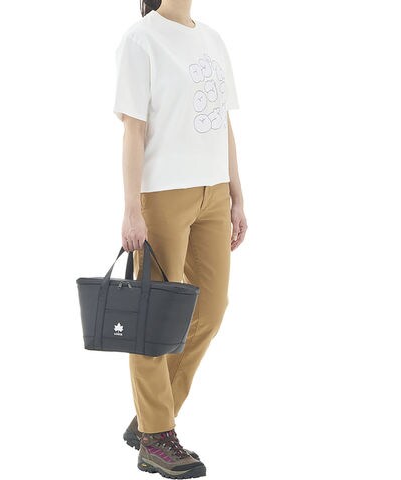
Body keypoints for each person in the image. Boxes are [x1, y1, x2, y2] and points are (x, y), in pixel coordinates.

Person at [113, 1, 247, 477]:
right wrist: (132, 207)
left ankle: (155, 414)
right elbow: (134, 130)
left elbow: (222, 122)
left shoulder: (212, 38)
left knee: (210, 309)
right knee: (153, 316)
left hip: (213, 193)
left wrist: (236, 195)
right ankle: (156, 436)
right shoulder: (141, 39)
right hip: (163, 194)